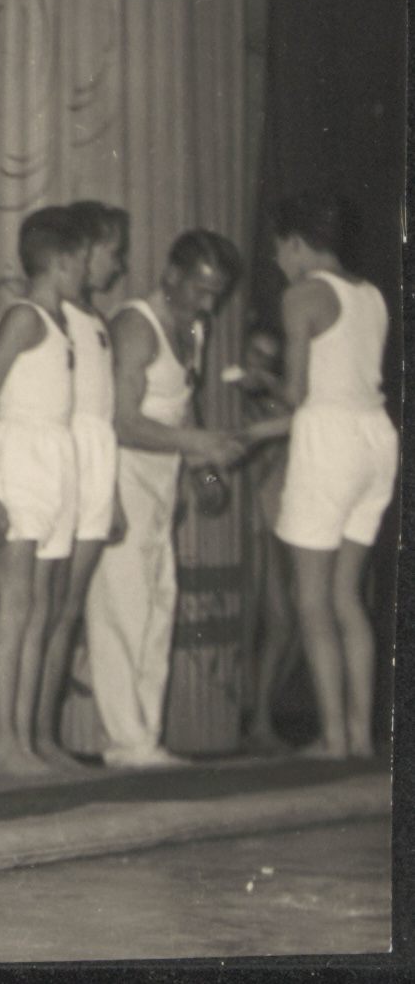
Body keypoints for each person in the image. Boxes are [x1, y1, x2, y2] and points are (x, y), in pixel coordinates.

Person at [86, 230, 245, 768]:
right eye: (201, 290)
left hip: (163, 478)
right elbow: (123, 422)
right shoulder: (136, 325)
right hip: (122, 474)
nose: (209, 305)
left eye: (217, 294)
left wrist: (203, 474)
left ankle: (146, 738)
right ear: (171, 275)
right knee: (121, 610)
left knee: (158, 609)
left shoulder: (195, 327)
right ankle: (125, 741)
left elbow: (183, 406)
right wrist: (198, 445)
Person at [246, 194, 395, 760]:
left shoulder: (303, 294)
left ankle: (332, 738)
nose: (278, 261)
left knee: (310, 599)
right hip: (375, 438)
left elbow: (298, 393)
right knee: (346, 596)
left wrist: (261, 380)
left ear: (297, 244)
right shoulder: (372, 295)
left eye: (280, 250)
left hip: (328, 441)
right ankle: (359, 736)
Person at [0, 206, 86, 778]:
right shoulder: (23, 317)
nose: (87, 272)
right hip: (19, 456)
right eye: (82, 261)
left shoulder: (63, 322)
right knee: (15, 606)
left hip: (57, 458)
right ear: (61, 262)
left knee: (41, 608)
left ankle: (26, 740)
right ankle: (3, 746)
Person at [30, 200, 130, 770]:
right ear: (82, 253)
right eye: (110, 252)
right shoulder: (54, 315)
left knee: (67, 610)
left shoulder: (95, 319)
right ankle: (25, 735)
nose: (116, 265)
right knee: (44, 606)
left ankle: (45, 733)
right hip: (60, 454)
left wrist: (110, 490)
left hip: (96, 458)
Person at [228, 325, 299, 753]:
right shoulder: (228, 399)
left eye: (270, 360)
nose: (260, 366)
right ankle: (249, 721)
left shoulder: (275, 402)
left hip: (275, 519)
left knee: (287, 624)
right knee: (259, 620)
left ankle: (258, 717)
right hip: (241, 522)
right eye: (254, 355)